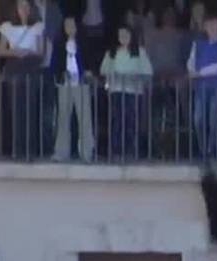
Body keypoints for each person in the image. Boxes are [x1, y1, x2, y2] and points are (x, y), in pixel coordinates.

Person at [0, 0, 45, 160]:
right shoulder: (8, 27)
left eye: (26, 6)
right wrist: (16, 52)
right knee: (16, 110)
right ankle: (17, 150)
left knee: (30, 110)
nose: (23, 9)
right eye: (20, 6)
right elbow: (1, 50)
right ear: (16, 9)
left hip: (30, 69)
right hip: (14, 70)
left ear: (31, 9)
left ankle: (30, 150)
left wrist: (27, 52)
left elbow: (40, 51)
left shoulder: (37, 26)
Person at [100, 24, 153, 160]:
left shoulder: (139, 52)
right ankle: (115, 151)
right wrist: (113, 75)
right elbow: (103, 70)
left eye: (126, 35)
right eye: (120, 35)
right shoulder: (111, 52)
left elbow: (148, 71)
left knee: (131, 121)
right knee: (116, 121)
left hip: (133, 91)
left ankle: (131, 151)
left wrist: (134, 77)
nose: (123, 38)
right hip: (116, 90)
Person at [51, 16, 95, 162]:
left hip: (81, 84)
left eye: (72, 25)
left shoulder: (84, 43)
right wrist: (61, 74)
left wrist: (88, 72)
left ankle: (86, 152)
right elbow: (55, 64)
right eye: (66, 26)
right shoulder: (59, 44)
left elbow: (90, 61)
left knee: (84, 119)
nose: (69, 29)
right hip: (65, 85)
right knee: (63, 118)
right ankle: (61, 152)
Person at [187, 12, 217, 159]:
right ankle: (203, 149)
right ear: (204, 27)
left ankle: (212, 150)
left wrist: (200, 73)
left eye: (214, 24)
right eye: (208, 24)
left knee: (214, 120)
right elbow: (191, 59)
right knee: (198, 119)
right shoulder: (198, 42)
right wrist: (192, 70)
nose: (211, 27)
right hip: (200, 87)